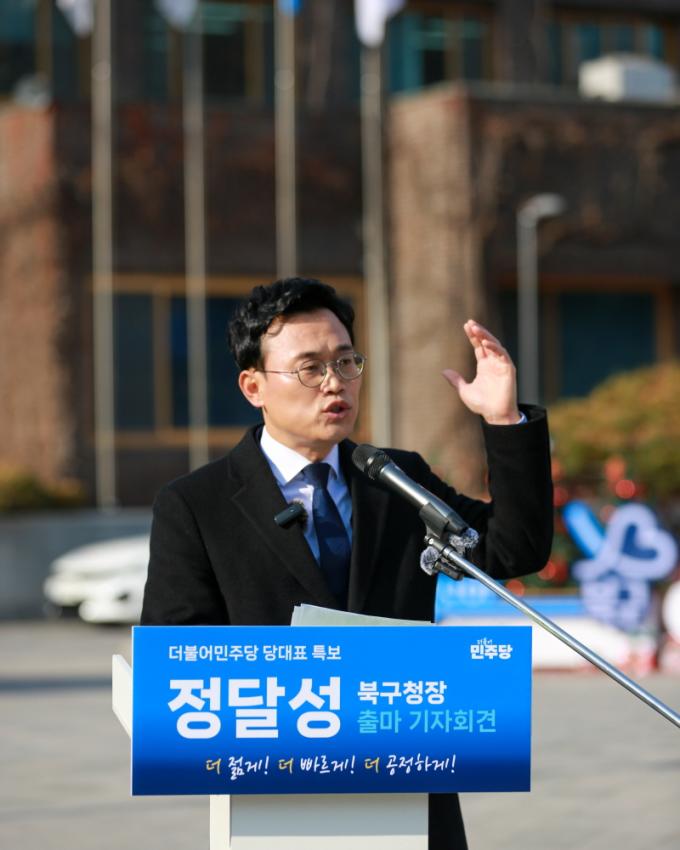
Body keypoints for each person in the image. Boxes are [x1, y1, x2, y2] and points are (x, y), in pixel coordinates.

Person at [141, 276, 553, 850]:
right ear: (253, 386)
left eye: (345, 362)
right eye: (309, 368)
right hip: (279, 800)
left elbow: (513, 549)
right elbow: (178, 661)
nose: (334, 382)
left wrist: (503, 421)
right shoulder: (196, 504)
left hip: (409, 787)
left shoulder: (395, 479)